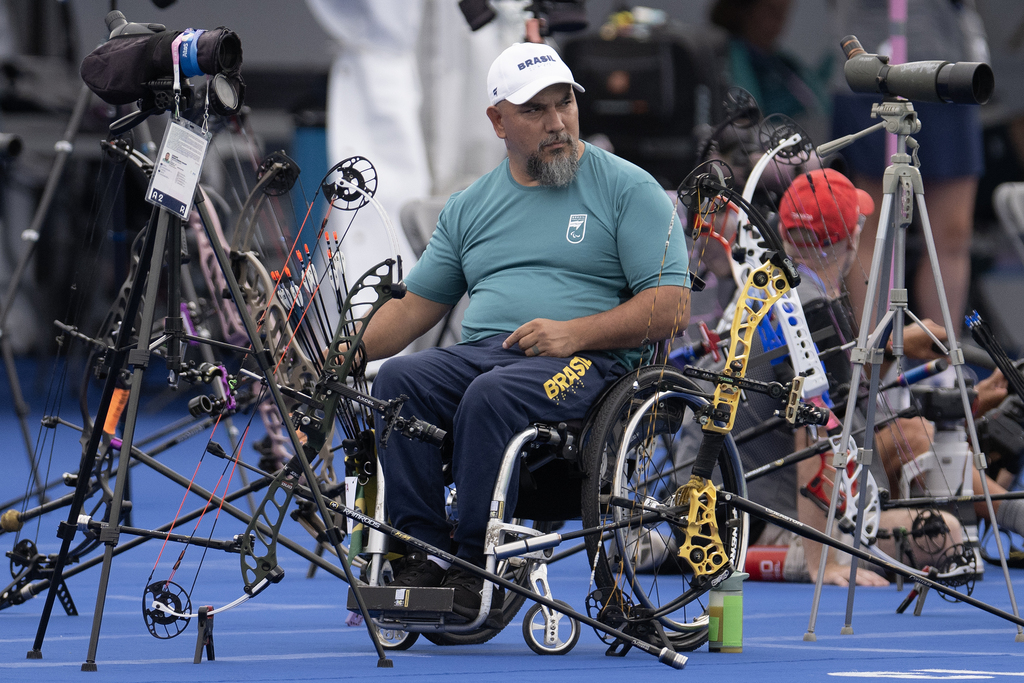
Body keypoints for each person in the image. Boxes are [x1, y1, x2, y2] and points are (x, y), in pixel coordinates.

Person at [360, 41, 691, 619]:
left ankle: (473, 565)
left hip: (592, 364)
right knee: (398, 379)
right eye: (535, 111)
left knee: (490, 396)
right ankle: (420, 554)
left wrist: (575, 333)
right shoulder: (470, 206)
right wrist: (337, 353)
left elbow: (671, 306)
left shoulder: (627, 188)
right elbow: (414, 306)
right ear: (498, 121)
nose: (557, 122)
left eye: (564, 104)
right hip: (491, 353)